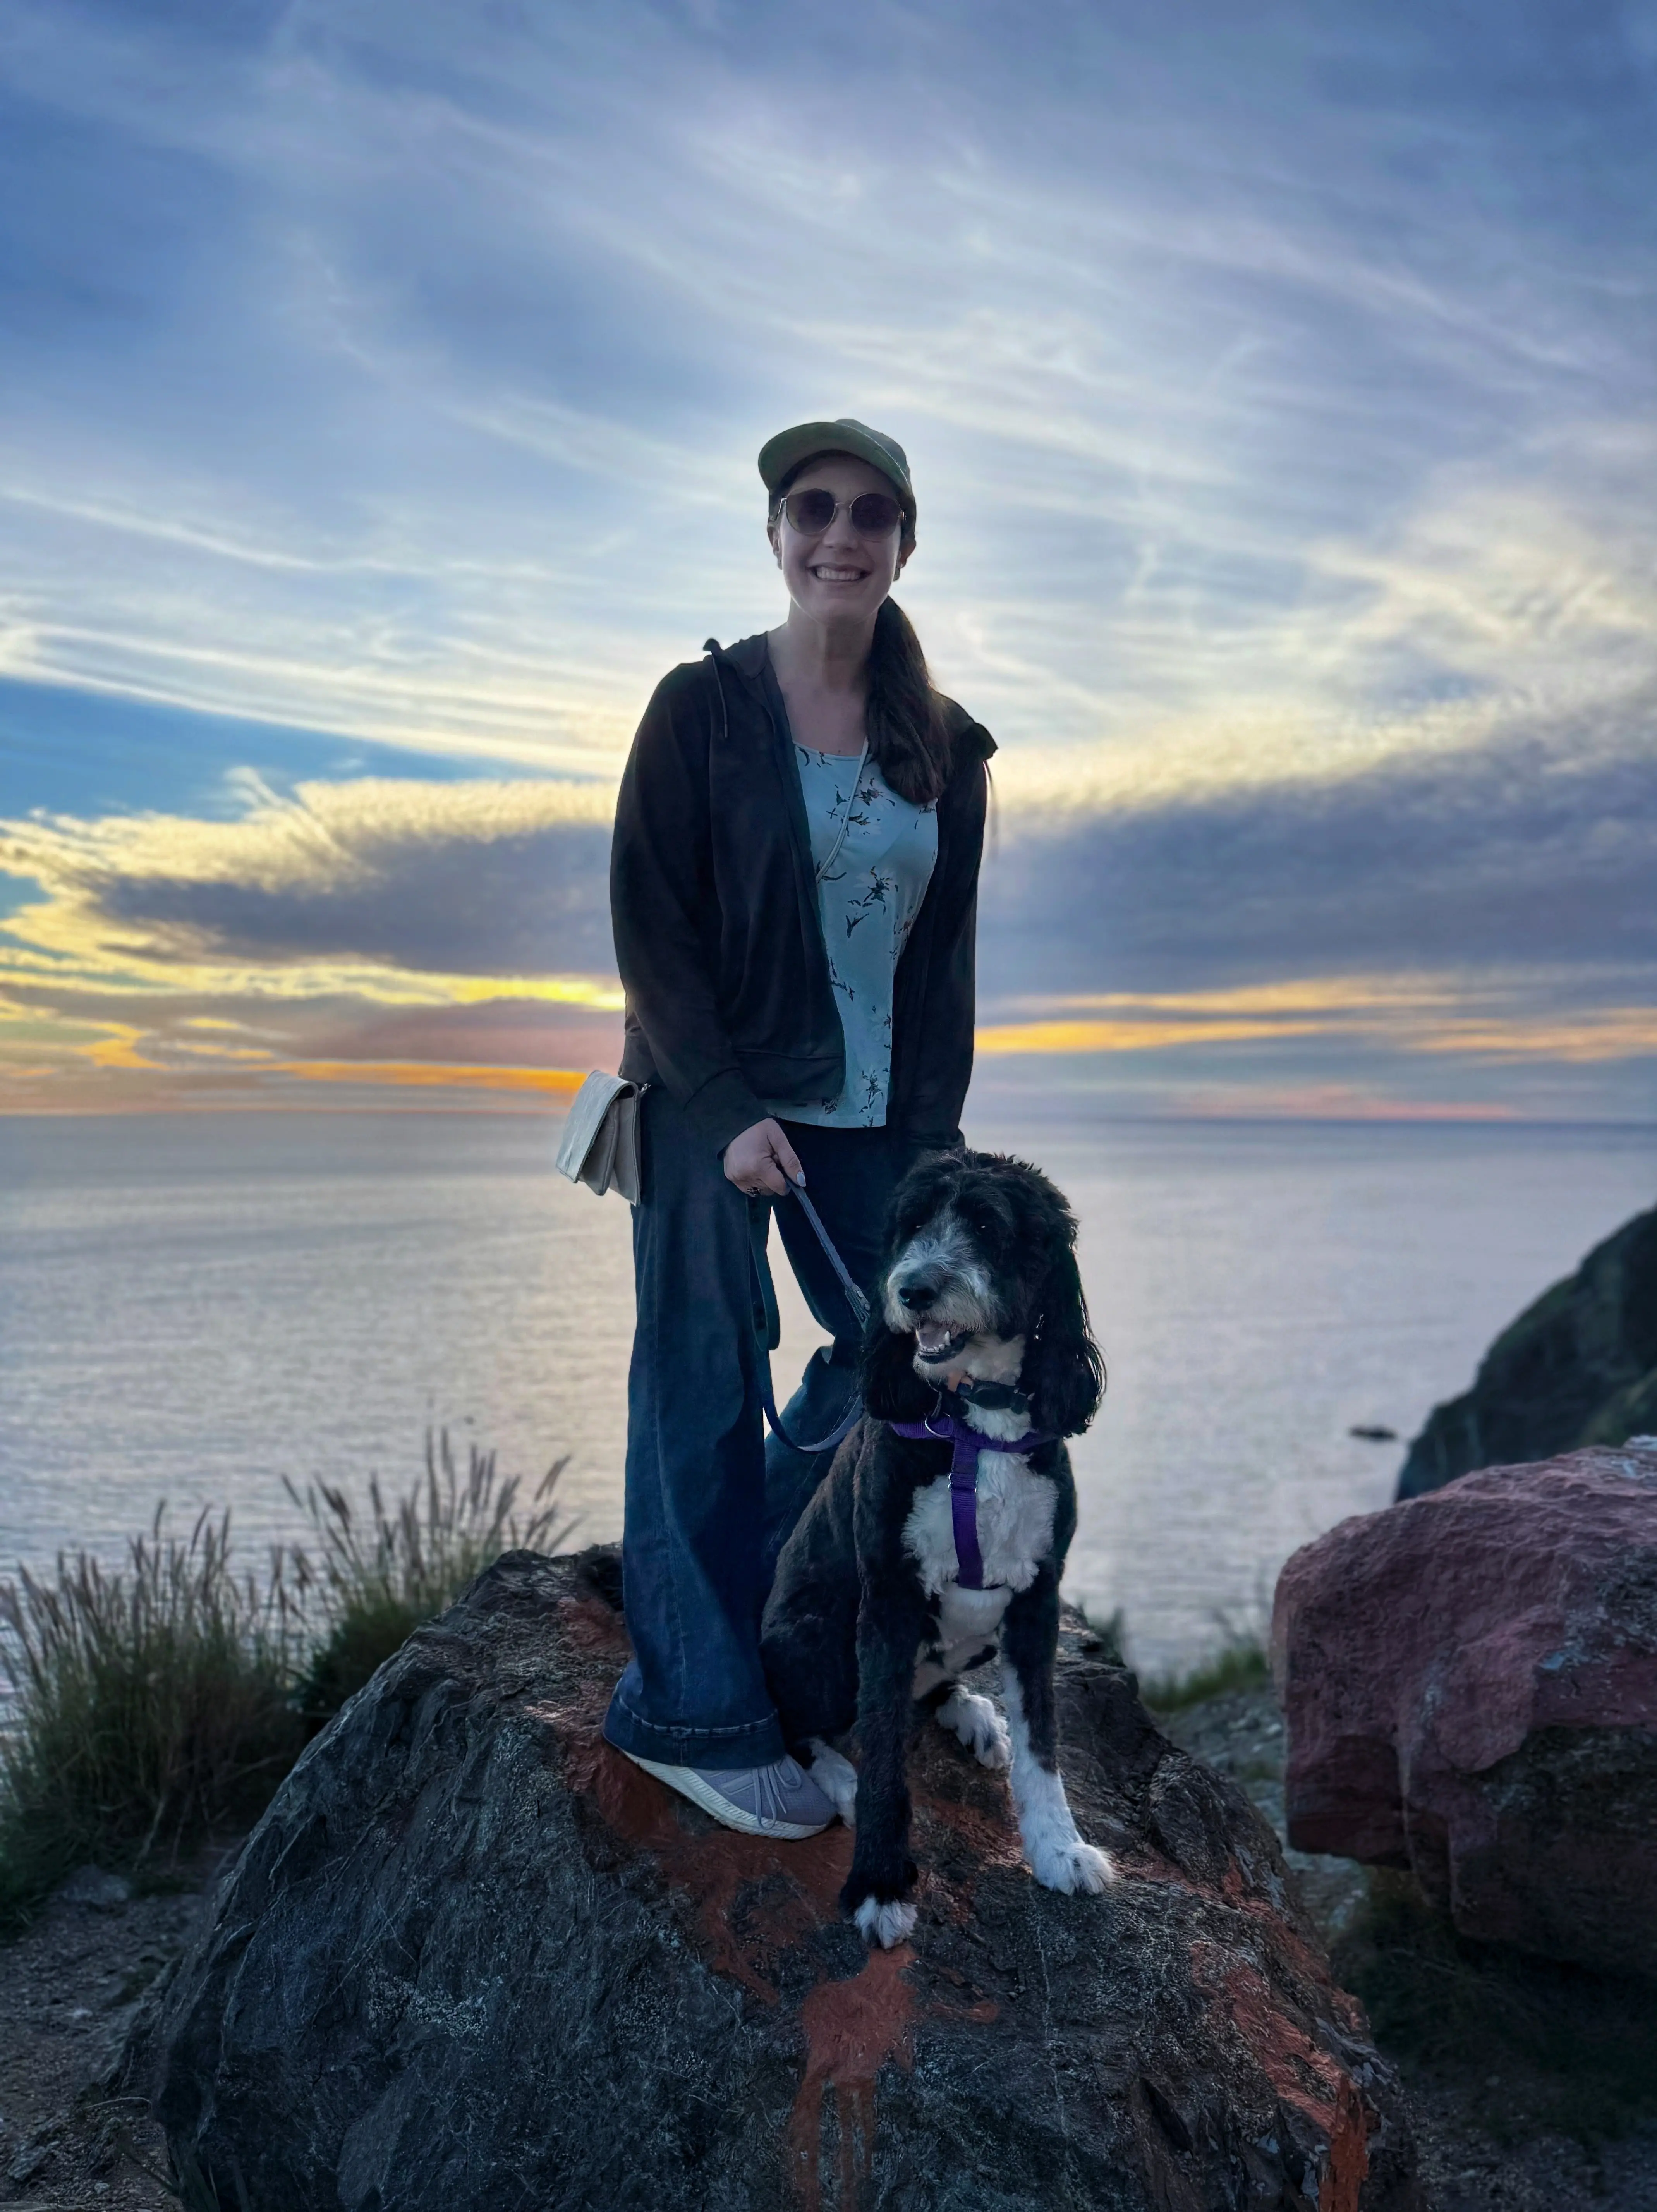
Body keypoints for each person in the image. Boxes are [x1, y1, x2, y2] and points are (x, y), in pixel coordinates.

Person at [602, 417, 996, 1838]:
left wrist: (938, 1153)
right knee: (704, 1376)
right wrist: (721, 1107)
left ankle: (735, 1607)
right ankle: (688, 1711)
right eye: (813, 508)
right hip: (713, 1094)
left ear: (902, 544)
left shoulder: (946, 745)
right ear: (774, 535)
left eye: (871, 514)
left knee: (899, 1367)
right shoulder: (700, 708)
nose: (841, 535)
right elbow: (651, 919)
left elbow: (940, 969)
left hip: (879, 1111)